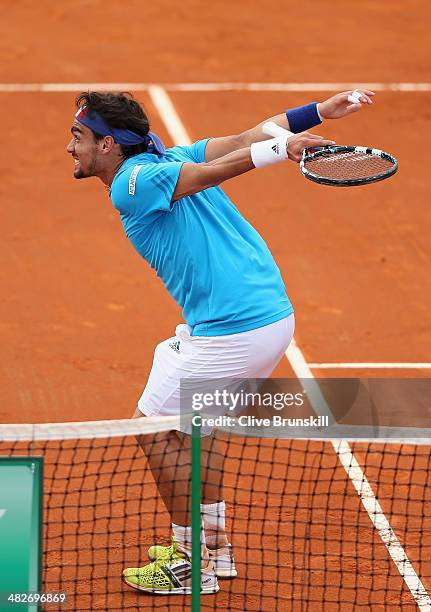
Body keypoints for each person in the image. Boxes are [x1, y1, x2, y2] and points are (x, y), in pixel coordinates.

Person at [67, 87, 374, 595]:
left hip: (235, 329)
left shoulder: (133, 181)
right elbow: (248, 136)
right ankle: (216, 551)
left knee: (154, 429)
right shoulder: (166, 161)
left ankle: (192, 562)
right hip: (263, 318)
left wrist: (282, 148)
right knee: (195, 432)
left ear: (107, 146)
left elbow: (218, 168)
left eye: (78, 136)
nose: (70, 147)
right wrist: (318, 113)